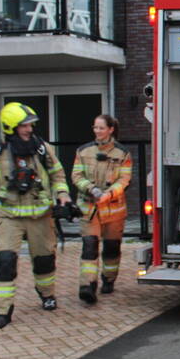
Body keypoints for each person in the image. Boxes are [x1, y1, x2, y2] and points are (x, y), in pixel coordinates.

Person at [0, 102, 71, 329]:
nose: (29, 129)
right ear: (10, 127)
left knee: (44, 261)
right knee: (5, 262)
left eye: (31, 125)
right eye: (24, 126)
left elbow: (57, 173)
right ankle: (2, 311)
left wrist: (63, 195)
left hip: (41, 216)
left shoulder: (42, 149)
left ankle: (47, 294)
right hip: (9, 217)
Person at [71, 114, 132, 303]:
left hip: (113, 210)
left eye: (101, 128)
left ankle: (109, 279)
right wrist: (92, 189)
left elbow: (124, 179)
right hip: (90, 210)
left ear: (111, 129)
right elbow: (76, 175)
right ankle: (87, 285)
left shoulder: (122, 154)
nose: (97, 131)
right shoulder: (83, 151)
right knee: (89, 246)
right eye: (95, 128)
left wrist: (109, 194)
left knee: (112, 248)